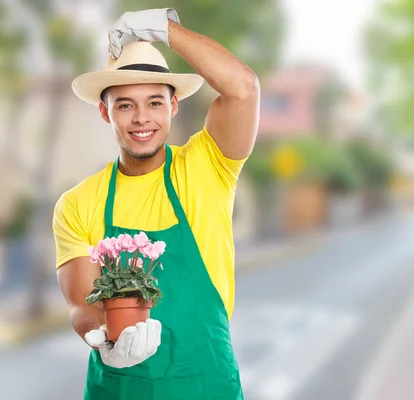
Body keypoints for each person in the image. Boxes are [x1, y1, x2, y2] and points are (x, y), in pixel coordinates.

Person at [52, 8, 259, 399]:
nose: (141, 118)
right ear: (104, 111)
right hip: (117, 388)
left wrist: (165, 30)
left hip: (206, 385)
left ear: (174, 106)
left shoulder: (207, 166)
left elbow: (243, 87)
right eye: (125, 105)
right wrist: (102, 341)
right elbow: (81, 304)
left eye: (155, 102)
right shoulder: (77, 203)